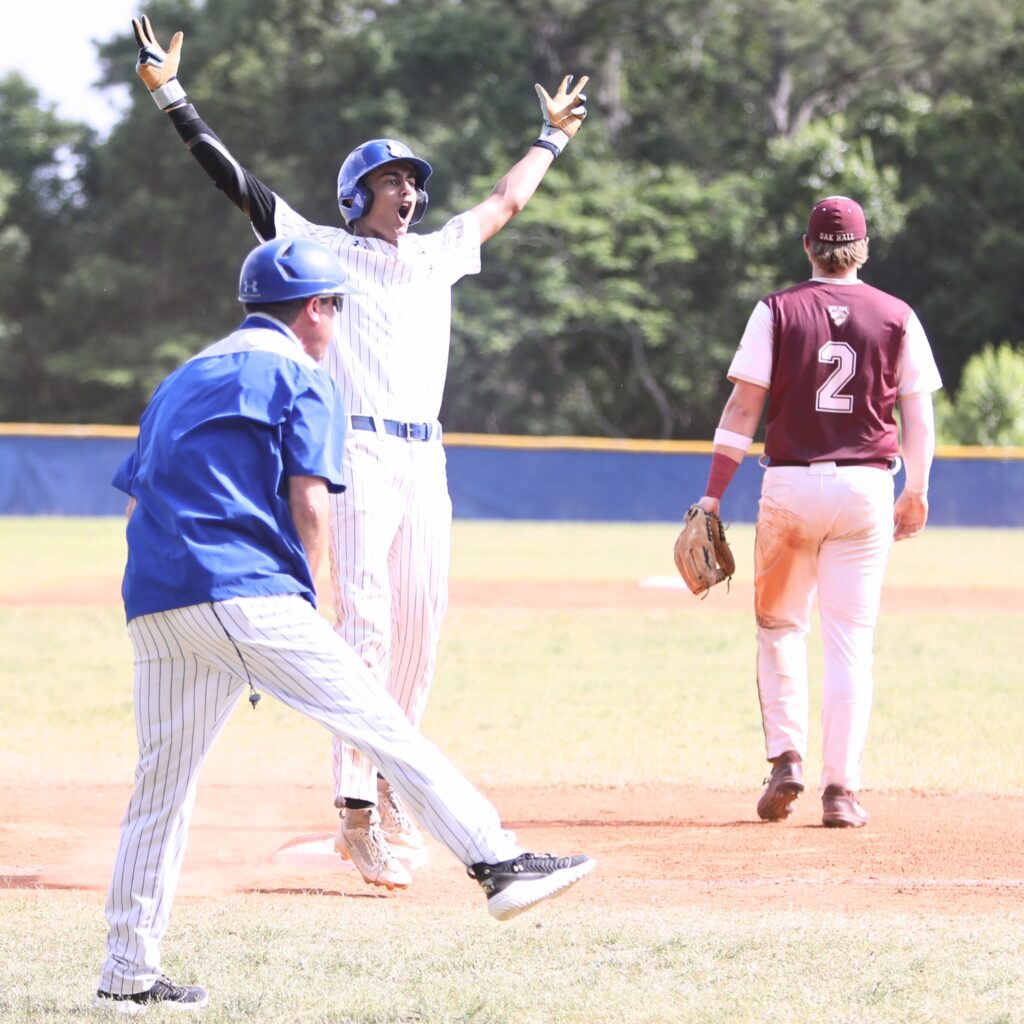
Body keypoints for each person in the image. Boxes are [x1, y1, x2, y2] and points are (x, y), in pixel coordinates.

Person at [130, 15, 589, 890]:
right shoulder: (324, 251)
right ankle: (354, 809)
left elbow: (504, 203)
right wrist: (173, 98)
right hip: (361, 460)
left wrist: (550, 140)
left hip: (427, 460)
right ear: (355, 199)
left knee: (422, 623)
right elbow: (239, 186)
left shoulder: (438, 254)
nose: (407, 193)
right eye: (389, 183)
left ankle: (387, 776)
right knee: (366, 624)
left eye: (412, 181)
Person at [94, 237, 595, 1012]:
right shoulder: (303, 374)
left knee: (159, 790)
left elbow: (135, 501)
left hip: (156, 603)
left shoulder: (180, 377)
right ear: (313, 309)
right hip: (246, 595)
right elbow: (310, 500)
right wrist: (316, 597)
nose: (335, 322)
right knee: (378, 720)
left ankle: (126, 973)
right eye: (334, 306)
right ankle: (498, 862)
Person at [690, 195, 941, 829]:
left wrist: (713, 494)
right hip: (866, 490)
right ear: (863, 249)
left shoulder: (776, 309)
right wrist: (918, 488)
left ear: (808, 246)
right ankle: (842, 792)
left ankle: (786, 759)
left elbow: (743, 410)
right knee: (851, 642)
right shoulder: (897, 314)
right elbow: (918, 413)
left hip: (792, 488)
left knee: (780, 628)